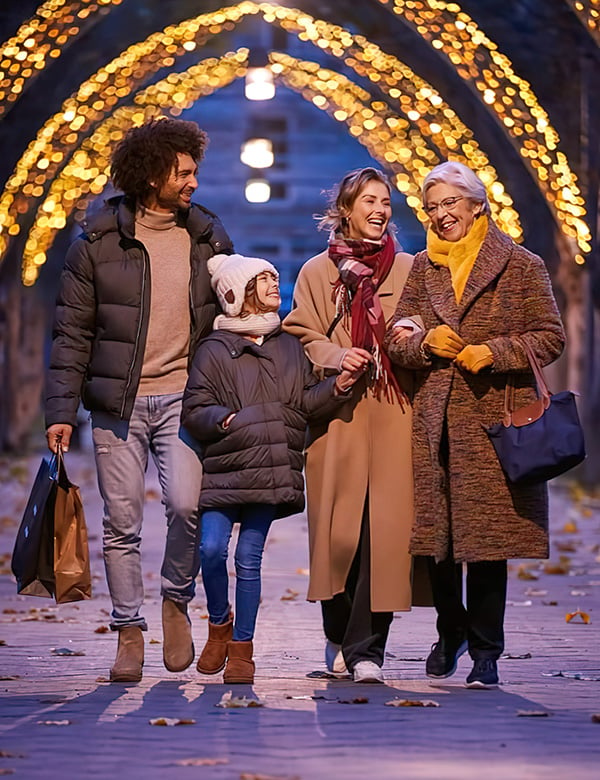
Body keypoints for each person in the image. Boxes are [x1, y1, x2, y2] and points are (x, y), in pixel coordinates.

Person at [45, 117, 234, 683]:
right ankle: (128, 630)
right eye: (184, 172)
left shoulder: (207, 237)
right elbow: (72, 334)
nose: (194, 182)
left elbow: (233, 315)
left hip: (184, 398)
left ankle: (175, 601)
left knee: (186, 506)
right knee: (121, 523)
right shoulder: (97, 246)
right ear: (153, 176)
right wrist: (59, 412)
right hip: (116, 406)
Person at [384, 160, 565, 688]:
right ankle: (451, 629)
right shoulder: (424, 267)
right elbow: (399, 333)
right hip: (436, 421)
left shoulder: (521, 264)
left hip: (494, 422)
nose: (441, 216)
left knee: (487, 543)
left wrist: (494, 351)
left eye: (450, 204)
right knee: (436, 540)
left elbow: (550, 337)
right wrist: (420, 343)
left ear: (476, 204)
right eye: (432, 206)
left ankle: (487, 651)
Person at [181, 254, 362, 684]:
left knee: (248, 558)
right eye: (264, 280)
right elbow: (195, 408)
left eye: (274, 278)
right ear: (237, 294)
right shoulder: (213, 350)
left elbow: (303, 402)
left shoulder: (288, 346)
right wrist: (224, 420)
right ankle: (219, 625)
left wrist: (334, 388)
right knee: (210, 549)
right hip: (226, 468)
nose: (273, 285)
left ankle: (242, 649)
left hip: (271, 469)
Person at [283, 167, 415, 684]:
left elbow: (426, 320)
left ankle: (368, 652)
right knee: (338, 536)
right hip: (337, 415)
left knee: (384, 534)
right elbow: (299, 332)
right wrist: (339, 356)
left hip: (394, 413)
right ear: (346, 209)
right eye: (369, 202)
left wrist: (409, 331)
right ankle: (337, 636)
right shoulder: (318, 272)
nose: (380, 210)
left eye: (386, 202)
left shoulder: (409, 268)